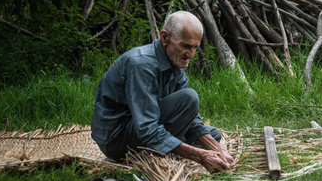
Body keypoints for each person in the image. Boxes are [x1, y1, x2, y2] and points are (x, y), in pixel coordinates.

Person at [91, 10, 233, 172]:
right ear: (165, 37)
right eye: (186, 46)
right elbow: (147, 128)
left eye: (195, 47)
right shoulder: (141, 65)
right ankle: (162, 152)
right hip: (116, 139)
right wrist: (200, 156)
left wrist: (216, 148)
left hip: (141, 127)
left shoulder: (175, 59)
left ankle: (167, 148)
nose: (191, 55)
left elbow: (192, 119)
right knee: (189, 98)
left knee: (212, 135)